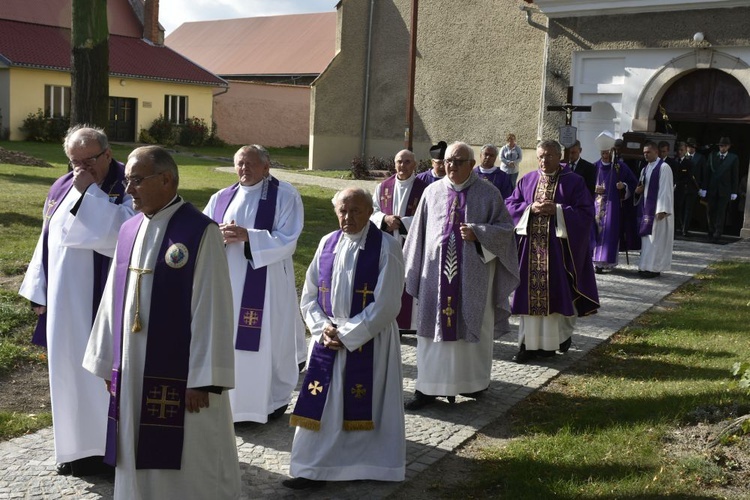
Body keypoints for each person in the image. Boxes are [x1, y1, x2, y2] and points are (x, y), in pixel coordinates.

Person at [83, 146, 241, 499]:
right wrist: (108, 361)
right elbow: (112, 299)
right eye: (127, 181)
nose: (129, 190)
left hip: (183, 379)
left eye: (137, 181)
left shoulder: (200, 232)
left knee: (189, 458)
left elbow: (212, 306)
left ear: (166, 179)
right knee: (135, 450)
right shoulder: (129, 229)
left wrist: (205, 379)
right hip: (131, 369)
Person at [19, 125, 135, 477]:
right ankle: (75, 449)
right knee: (67, 372)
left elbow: (123, 235)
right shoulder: (60, 186)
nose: (82, 169)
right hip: (63, 302)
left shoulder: (127, 185)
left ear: (108, 153)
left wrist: (90, 195)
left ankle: (110, 452)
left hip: (104, 301)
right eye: (74, 162)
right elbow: (47, 238)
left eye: (89, 160)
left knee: (101, 374)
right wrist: (39, 291)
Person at [286, 187, 405, 489]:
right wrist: (320, 328)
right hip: (327, 339)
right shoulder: (328, 243)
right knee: (321, 405)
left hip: (369, 340)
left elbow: (388, 303)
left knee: (366, 404)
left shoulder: (386, 247)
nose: (347, 216)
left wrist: (349, 334)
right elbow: (309, 294)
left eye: (355, 210)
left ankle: (369, 464)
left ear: (369, 212)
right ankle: (312, 468)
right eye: (342, 210)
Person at [402, 141, 519, 409]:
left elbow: (505, 231)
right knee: (433, 331)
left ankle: (472, 384)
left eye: (457, 161)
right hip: (434, 277)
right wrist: (412, 269)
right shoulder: (431, 193)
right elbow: (417, 236)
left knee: (470, 326)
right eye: (448, 161)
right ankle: (428, 388)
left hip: (473, 277)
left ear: (471, 164)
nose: (451, 166)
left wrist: (479, 233)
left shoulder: (489, 194)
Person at [203, 145, 306, 423]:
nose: (244, 169)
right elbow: (203, 235)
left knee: (267, 341)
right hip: (229, 283)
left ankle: (270, 401)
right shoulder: (221, 197)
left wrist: (249, 236)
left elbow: (288, 238)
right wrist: (219, 236)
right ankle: (233, 404)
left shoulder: (285, 195)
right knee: (230, 340)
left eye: (250, 164)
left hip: (267, 283)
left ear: (266, 167)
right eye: (239, 164)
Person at [505, 140, 599, 363]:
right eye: (540, 156)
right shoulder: (527, 180)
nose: (543, 160)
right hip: (531, 253)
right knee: (529, 297)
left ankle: (549, 345)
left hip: (559, 254)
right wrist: (529, 208)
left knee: (556, 296)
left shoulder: (574, 182)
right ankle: (527, 345)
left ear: (559, 157)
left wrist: (557, 210)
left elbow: (586, 213)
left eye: (548, 156)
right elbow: (510, 205)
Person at [370, 149, 427, 332]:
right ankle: (387, 320)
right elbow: (372, 210)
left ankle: (409, 324)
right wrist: (385, 219)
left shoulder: (424, 188)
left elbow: (428, 216)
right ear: (394, 164)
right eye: (399, 162)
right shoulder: (383, 187)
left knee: (409, 277)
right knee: (387, 279)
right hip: (386, 241)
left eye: (407, 162)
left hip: (411, 242)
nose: (402, 166)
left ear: (415, 164)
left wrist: (403, 223)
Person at [591, 133, 639, 273]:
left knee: (610, 233)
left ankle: (607, 261)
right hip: (596, 206)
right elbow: (584, 185)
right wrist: (594, 188)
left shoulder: (620, 167)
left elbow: (633, 183)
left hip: (613, 207)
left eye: (607, 152)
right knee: (596, 232)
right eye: (603, 152)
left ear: (612, 151)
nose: (605, 155)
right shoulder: (594, 167)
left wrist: (623, 186)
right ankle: (595, 262)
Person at [634, 141, 674, 278]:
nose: (645, 155)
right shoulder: (645, 169)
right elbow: (641, 187)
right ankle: (645, 266)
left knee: (656, 241)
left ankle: (654, 268)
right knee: (647, 241)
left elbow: (666, 190)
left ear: (656, 152)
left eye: (648, 152)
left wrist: (662, 209)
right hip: (646, 210)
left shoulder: (664, 167)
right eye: (644, 152)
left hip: (658, 211)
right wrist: (637, 191)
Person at [701, 137, 739, 243]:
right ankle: (711, 229)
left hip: (725, 190)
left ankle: (717, 232)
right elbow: (707, 174)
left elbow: (734, 176)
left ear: (729, 147)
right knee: (710, 210)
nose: (722, 148)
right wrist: (704, 188)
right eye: (721, 146)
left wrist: (734, 191)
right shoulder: (712, 156)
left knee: (721, 212)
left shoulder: (733, 158)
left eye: (725, 146)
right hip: (712, 188)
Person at [672, 141, 702, 236]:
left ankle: (685, 229)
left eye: (682, 150)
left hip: (686, 188)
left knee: (687, 210)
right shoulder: (674, 161)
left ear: (685, 151)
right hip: (676, 189)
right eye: (678, 150)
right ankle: (676, 228)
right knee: (677, 209)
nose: (680, 152)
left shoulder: (689, 163)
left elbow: (689, 176)